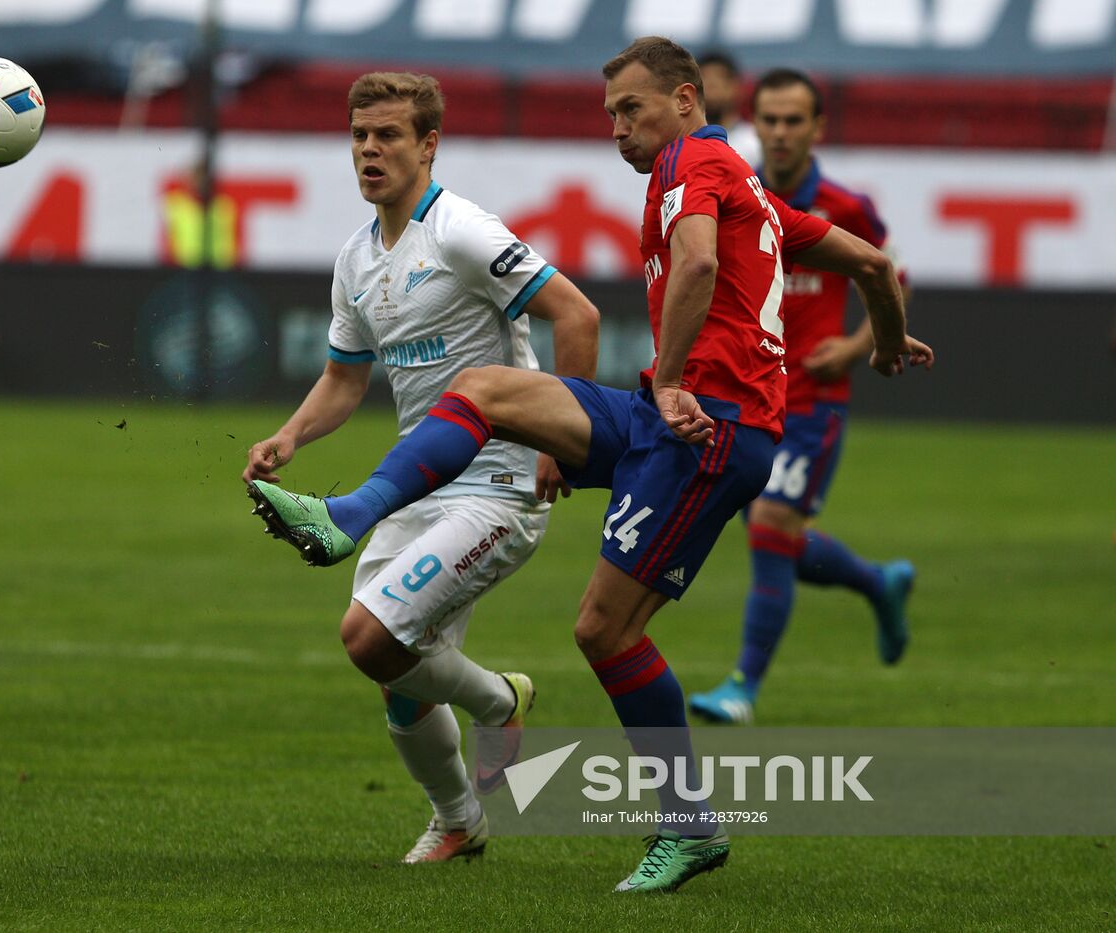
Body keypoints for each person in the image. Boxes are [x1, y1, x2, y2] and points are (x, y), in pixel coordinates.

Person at [247, 38, 933, 893]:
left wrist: (677, 375)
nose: (617, 128)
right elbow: (869, 260)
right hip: (666, 414)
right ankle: (348, 514)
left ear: (686, 100)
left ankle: (687, 827)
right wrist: (890, 341)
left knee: (603, 630)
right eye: (609, 113)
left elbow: (698, 261)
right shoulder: (744, 185)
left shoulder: (693, 161)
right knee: (490, 387)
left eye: (631, 109)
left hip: (710, 426)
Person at [241, 72, 600, 865]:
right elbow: (344, 376)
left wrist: (559, 440)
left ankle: (500, 701)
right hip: (421, 480)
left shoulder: (464, 232)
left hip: (500, 484)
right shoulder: (357, 257)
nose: (370, 150)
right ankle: (460, 819)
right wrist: (290, 438)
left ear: (428, 144)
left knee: (369, 636)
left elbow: (577, 313)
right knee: (397, 675)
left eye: (389, 135)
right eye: (360, 135)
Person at [690, 68, 917, 726]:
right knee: (781, 539)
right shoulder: (737, 194)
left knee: (771, 529)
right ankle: (878, 582)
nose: (781, 133)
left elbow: (893, 282)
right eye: (771, 120)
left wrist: (853, 349)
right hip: (748, 399)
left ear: (818, 127)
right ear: (753, 124)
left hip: (814, 400)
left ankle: (742, 686)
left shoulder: (848, 207)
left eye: (795, 121)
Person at [698, 50, 761, 167]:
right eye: (705, 80)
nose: (712, 87)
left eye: (719, 79)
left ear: (737, 86)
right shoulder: (681, 144)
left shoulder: (756, 141)